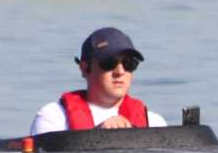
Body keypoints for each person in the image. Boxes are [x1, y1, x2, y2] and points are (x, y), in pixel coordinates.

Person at [30, 27, 167, 135]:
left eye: (128, 63)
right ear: (84, 68)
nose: (120, 71)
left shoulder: (154, 124)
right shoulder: (53, 117)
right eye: (109, 63)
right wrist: (98, 137)